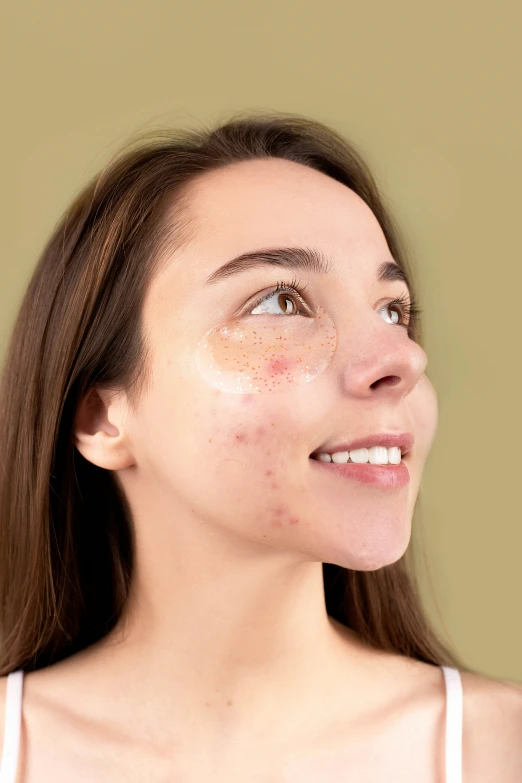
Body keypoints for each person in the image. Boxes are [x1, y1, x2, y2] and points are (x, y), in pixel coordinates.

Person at [0, 112, 520, 782]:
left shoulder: (503, 751)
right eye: (280, 302)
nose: (404, 358)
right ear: (103, 418)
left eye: (393, 309)